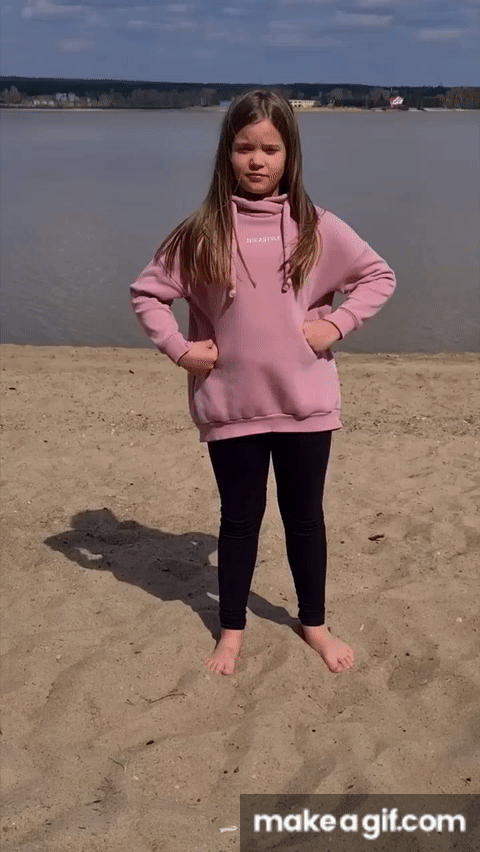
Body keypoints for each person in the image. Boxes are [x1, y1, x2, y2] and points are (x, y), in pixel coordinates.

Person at [130, 89, 396, 677]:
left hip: (305, 406)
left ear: (289, 154)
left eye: (270, 149)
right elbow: (147, 292)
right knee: (239, 521)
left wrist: (336, 324)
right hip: (231, 407)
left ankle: (314, 623)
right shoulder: (202, 232)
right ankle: (232, 630)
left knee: (305, 519)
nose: (257, 160)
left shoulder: (316, 227)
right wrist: (180, 350)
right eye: (244, 147)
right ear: (226, 153)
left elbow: (378, 275)